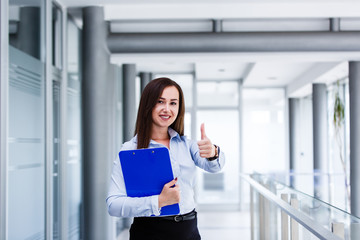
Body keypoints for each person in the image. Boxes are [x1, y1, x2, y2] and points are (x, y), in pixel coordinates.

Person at [107, 77, 225, 240]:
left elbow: (214, 167)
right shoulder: (130, 149)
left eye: (173, 103)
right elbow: (113, 205)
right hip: (150, 232)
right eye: (160, 102)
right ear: (148, 105)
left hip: (189, 229)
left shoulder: (186, 145)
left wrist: (213, 153)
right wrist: (159, 201)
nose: (167, 109)